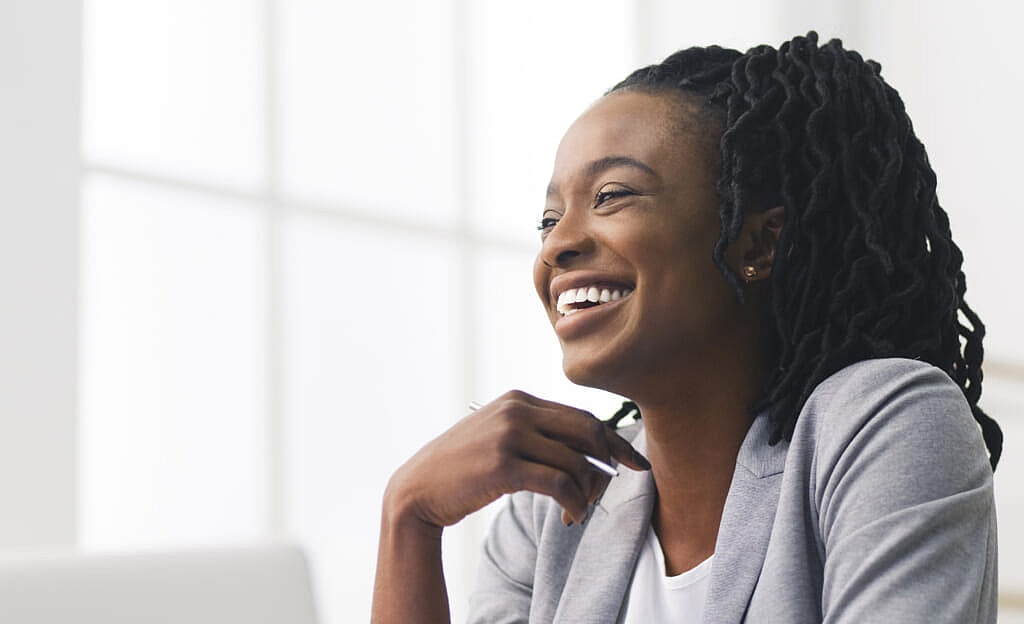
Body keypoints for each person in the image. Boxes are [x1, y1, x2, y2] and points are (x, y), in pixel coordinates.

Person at [371, 32, 1002, 623]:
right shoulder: (549, 510)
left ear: (757, 241)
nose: (557, 245)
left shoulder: (883, 425)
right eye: (548, 219)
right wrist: (410, 518)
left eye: (612, 195)